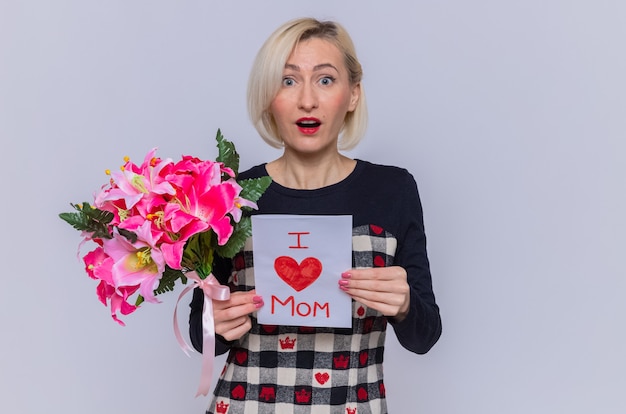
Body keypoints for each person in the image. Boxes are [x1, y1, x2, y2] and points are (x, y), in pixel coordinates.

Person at [189, 17, 442, 414]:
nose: (307, 100)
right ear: (268, 96)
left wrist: (406, 303)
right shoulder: (230, 197)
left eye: (325, 80)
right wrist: (214, 324)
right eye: (288, 81)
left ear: (353, 94)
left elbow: (425, 336)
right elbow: (197, 333)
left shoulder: (392, 191)